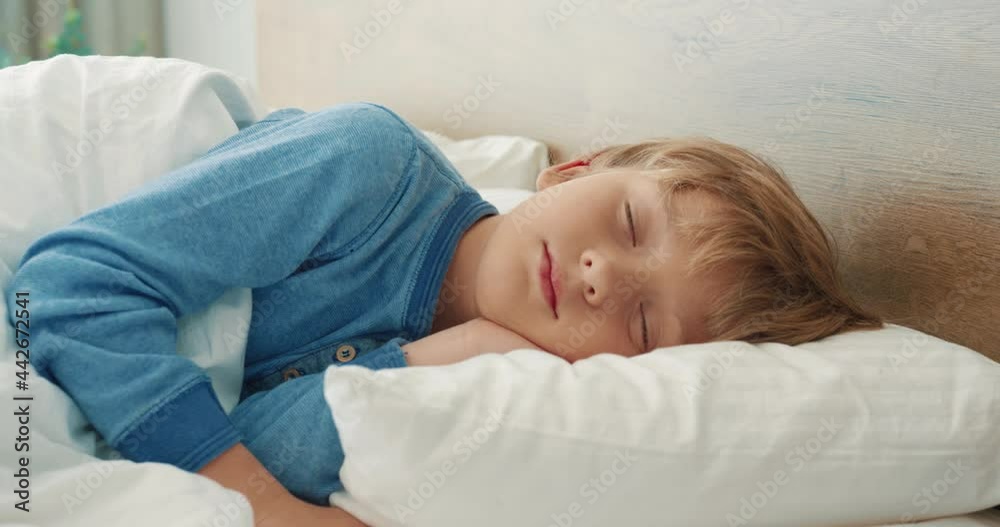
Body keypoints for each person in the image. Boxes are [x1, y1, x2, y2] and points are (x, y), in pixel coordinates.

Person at [5, 103, 880, 526]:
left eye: (645, 324)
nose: (599, 277)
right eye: (627, 221)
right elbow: (69, 287)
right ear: (575, 170)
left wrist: (438, 359)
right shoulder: (370, 168)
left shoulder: (480, 388)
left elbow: (248, 433)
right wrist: (267, 509)